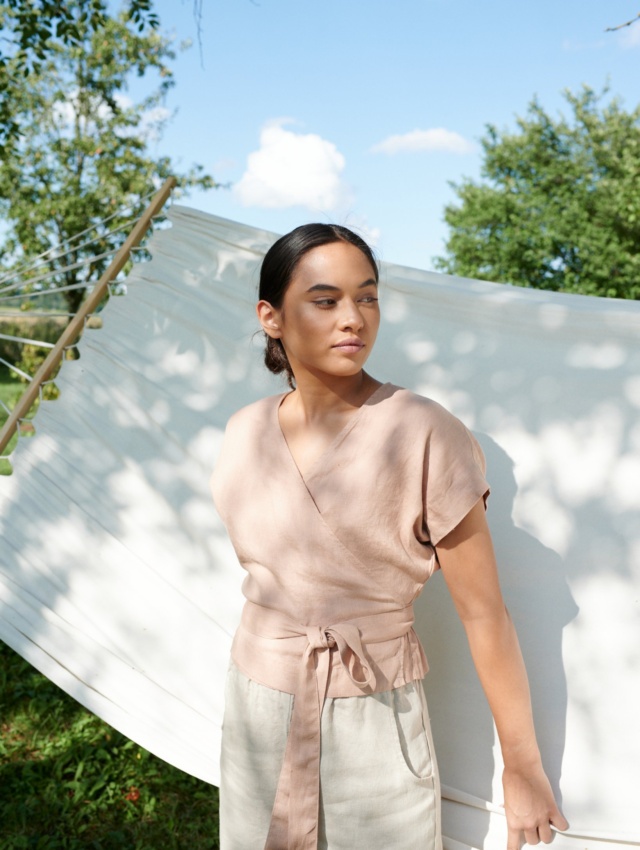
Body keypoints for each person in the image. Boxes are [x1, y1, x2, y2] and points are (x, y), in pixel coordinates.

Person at [210, 223, 568, 850]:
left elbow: (485, 614)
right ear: (271, 316)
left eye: (367, 297)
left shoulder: (425, 432)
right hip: (258, 705)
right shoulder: (243, 432)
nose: (353, 318)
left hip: (374, 716)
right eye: (326, 301)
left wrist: (523, 764)